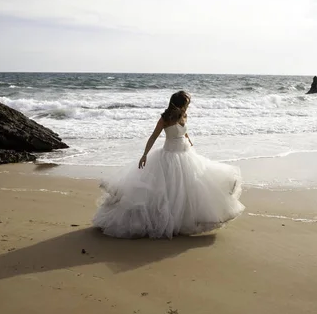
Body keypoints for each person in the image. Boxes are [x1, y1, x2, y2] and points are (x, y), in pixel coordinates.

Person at [92, 91, 245, 239]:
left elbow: (183, 131)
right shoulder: (165, 118)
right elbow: (153, 136)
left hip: (186, 154)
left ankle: (184, 219)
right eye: (186, 103)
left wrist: (189, 139)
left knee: (190, 188)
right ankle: (166, 221)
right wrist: (144, 154)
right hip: (169, 156)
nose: (188, 106)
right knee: (168, 191)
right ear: (178, 104)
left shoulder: (184, 115)